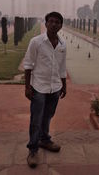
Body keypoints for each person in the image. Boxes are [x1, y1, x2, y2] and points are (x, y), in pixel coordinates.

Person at [23, 11, 67, 168]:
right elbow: (28, 65)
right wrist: (27, 87)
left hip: (55, 87)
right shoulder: (36, 42)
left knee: (48, 116)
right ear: (46, 23)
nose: (54, 24)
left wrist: (64, 85)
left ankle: (44, 140)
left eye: (57, 22)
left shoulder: (62, 44)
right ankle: (33, 149)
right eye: (51, 21)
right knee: (36, 118)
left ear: (61, 25)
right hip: (39, 87)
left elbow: (62, 67)